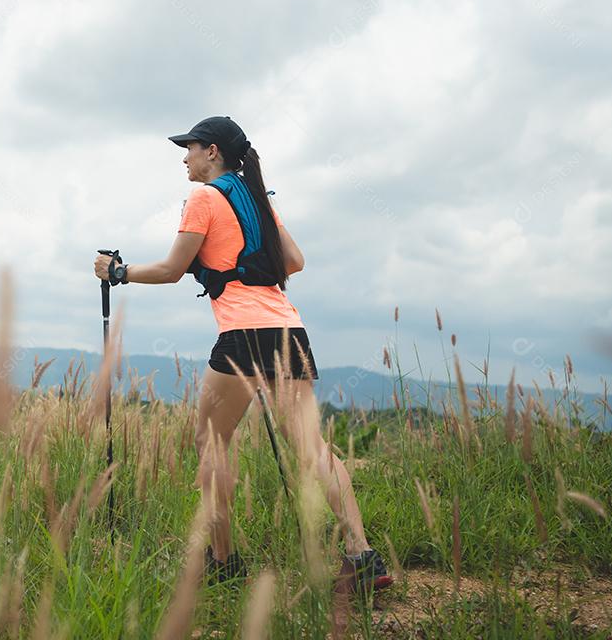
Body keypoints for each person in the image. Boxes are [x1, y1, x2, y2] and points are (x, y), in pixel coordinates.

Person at [92, 116, 392, 594]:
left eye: (188, 148)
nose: (183, 157)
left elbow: (172, 270)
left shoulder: (204, 198)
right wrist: (234, 263)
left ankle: (224, 560)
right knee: (313, 448)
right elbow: (294, 262)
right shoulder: (255, 199)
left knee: (211, 443)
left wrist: (119, 272)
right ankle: (362, 555)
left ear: (212, 152)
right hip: (289, 329)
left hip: (241, 333)